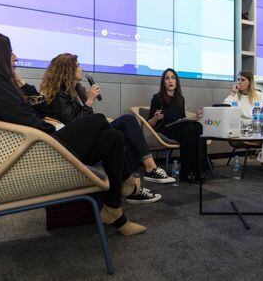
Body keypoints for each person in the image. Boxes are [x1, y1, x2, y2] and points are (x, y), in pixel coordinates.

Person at [0, 30, 146, 236]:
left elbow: (40, 112)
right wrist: (52, 129)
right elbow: (27, 119)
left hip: (35, 148)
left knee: (114, 137)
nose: (15, 58)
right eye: (10, 52)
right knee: (99, 120)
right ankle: (127, 180)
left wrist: (21, 83)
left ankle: (115, 213)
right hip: (36, 152)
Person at [40, 53, 174, 203]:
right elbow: (74, 125)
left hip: (90, 136)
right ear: (67, 70)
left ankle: (139, 182)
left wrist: (89, 108)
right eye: (77, 65)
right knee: (124, 125)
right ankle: (145, 176)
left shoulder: (75, 91)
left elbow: (84, 118)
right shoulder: (59, 96)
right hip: (80, 144)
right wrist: (89, 101)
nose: (81, 68)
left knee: (127, 127)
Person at [147, 68, 207, 183]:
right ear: (163, 82)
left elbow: (182, 118)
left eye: (173, 78)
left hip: (179, 127)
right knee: (188, 128)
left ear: (176, 81)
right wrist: (156, 117)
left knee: (198, 127)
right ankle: (187, 172)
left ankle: (199, 170)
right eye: (167, 78)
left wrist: (195, 117)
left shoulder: (180, 98)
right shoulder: (157, 97)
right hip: (164, 128)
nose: (170, 81)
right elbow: (149, 124)